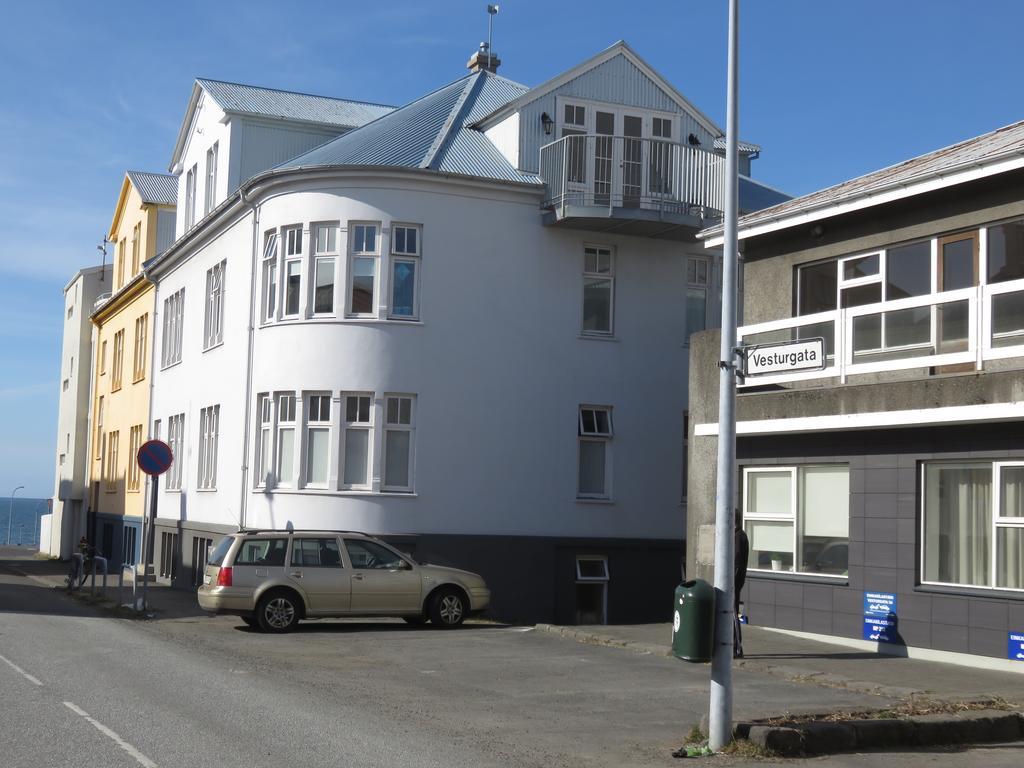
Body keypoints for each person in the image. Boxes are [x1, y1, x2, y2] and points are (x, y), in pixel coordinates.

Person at [734, 515, 749, 658]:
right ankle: (734, 647)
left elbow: (737, 563)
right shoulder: (738, 535)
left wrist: (731, 583)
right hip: (736, 581)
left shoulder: (739, 537)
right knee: (731, 613)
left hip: (735, 583)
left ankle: (737, 648)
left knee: (733, 614)